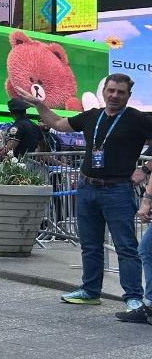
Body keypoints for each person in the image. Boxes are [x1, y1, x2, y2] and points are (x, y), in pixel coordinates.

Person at [21, 73, 152, 310]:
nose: (114, 96)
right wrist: (40, 105)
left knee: (125, 247)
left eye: (120, 92)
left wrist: (145, 169)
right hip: (87, 187)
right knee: (90, 244)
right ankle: (90, 291)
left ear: (128, 95)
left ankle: (133, 297)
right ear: (104, 91)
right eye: (111, 90)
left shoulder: (137, 119)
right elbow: (58, 124)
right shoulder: (92, 116)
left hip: (118, 190)